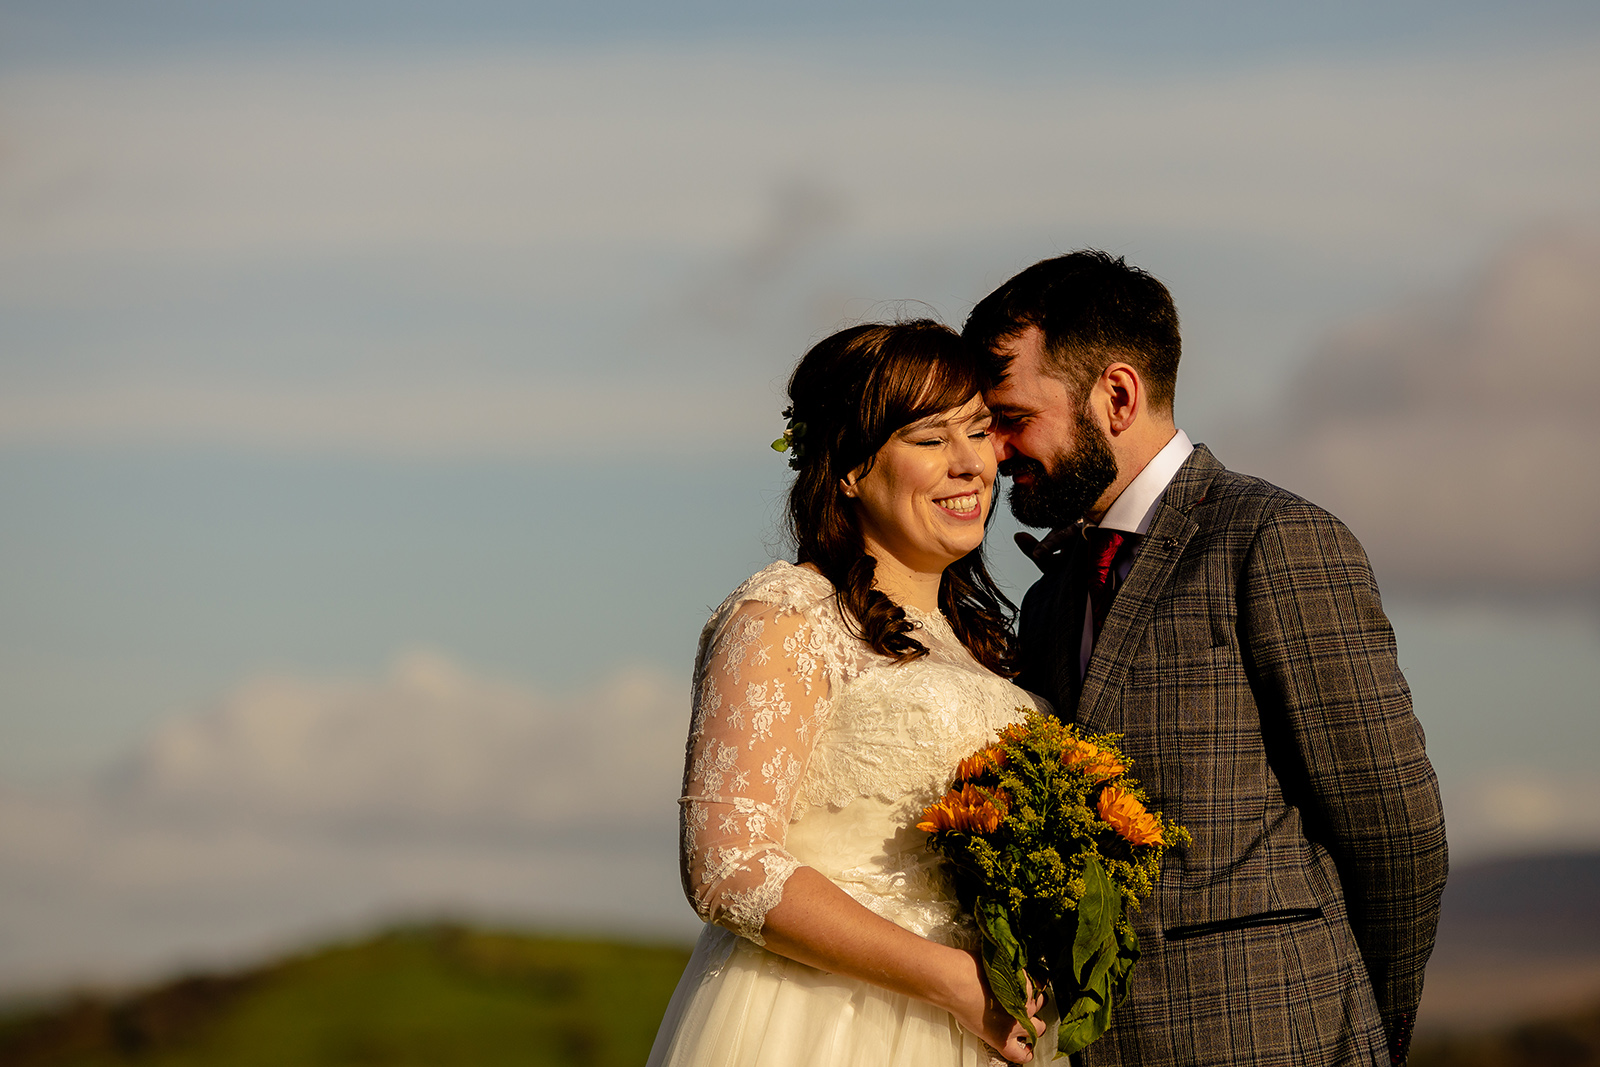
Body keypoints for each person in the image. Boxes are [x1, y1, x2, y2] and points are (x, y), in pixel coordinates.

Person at [962, 251, 1448, 1067]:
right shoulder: (1051, 596)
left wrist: (1366, 1022)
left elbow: (1395, 829)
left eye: (1011, 416)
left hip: (1281, 1037)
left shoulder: (1275, 541)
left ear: (1117, 394)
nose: (996, 452)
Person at [647, 321, 1054, 1067]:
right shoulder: (785, 615)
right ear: (849, 467)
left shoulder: (985, 648)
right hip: (829, 1022)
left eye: (979, 429)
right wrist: (954, 982)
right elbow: (727, 866)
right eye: (930, 439)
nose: (971, 464)